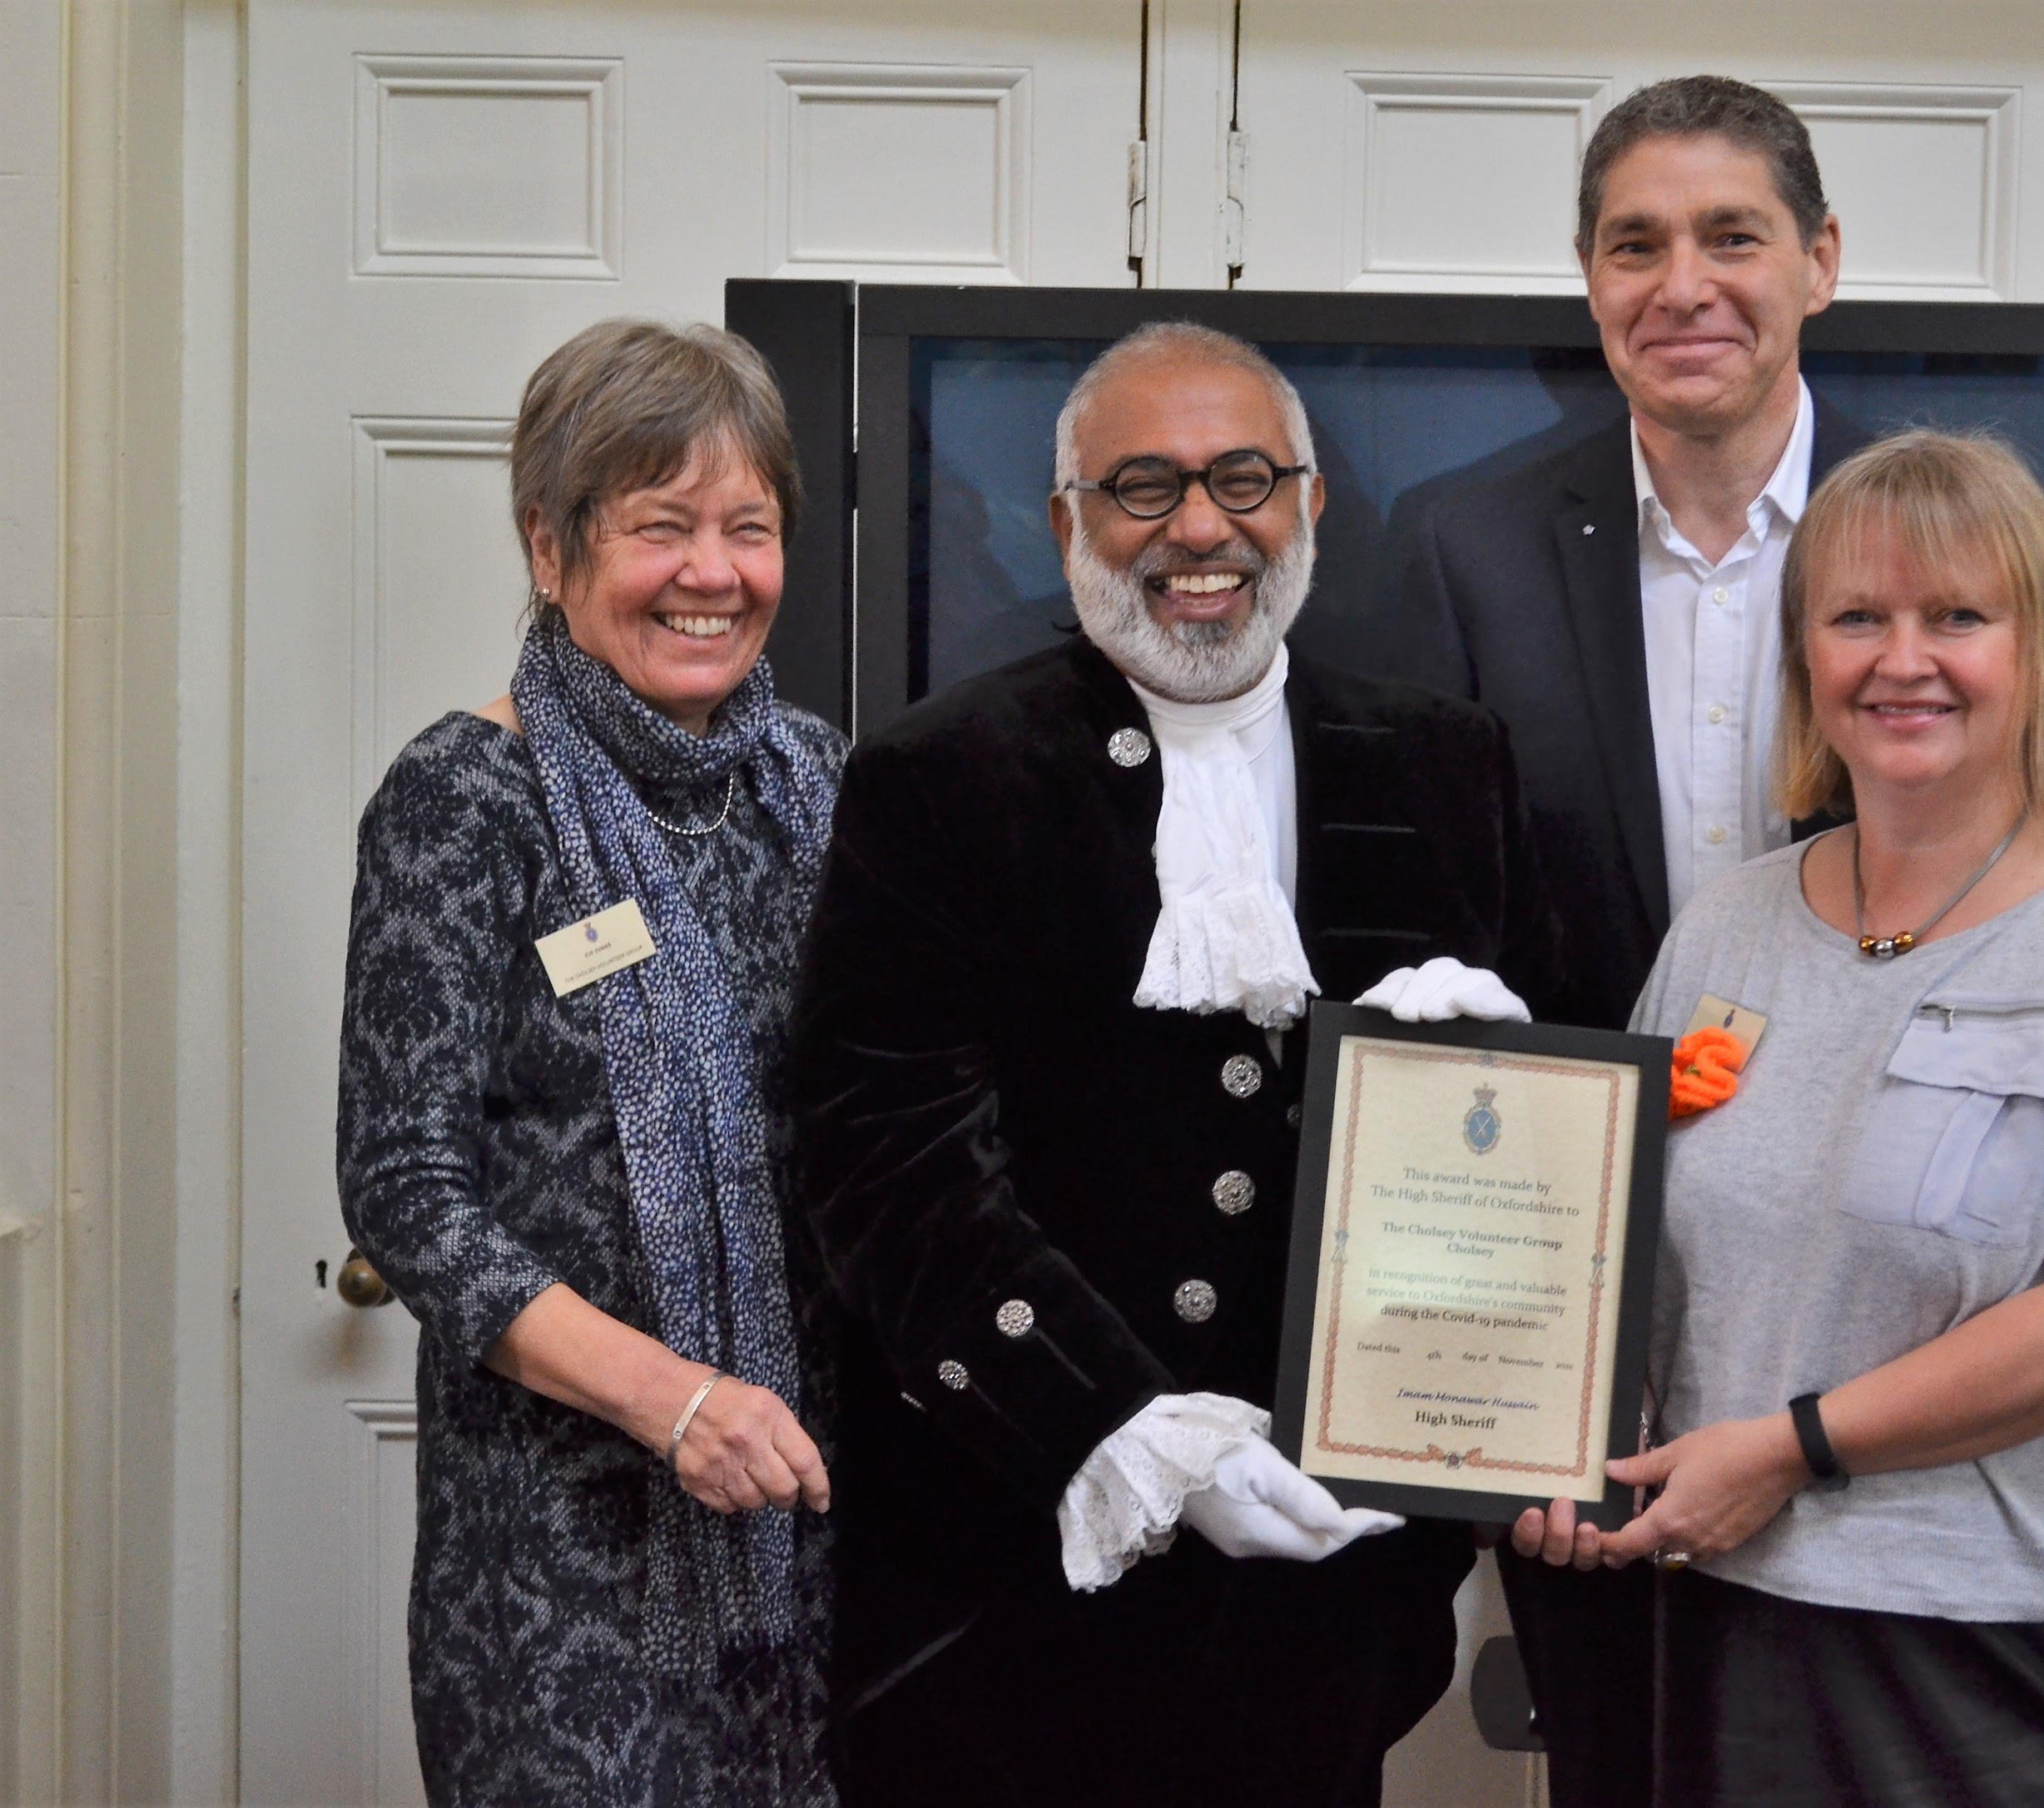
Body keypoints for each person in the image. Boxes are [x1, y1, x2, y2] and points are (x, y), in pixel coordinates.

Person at [786, 321, 1562, 1806]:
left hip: (1327, 1603)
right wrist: (1128, 1431)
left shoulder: (1446, 766)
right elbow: (887, 1163)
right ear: (1069, 517)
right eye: (1142, 485)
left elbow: (1507, 1179)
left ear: (1311, 503)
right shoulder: (937, 778)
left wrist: (1498, 1090)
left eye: (1243, 477)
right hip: (1009, 1582)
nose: (1200, 527)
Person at [1514, 430, 2044, 1806]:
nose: (1900, 658)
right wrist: (1559, 1441)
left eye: (1957, 617)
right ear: (1805, 658)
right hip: (1717, 1614)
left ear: (2039, 653)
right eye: (1857, 616)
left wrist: (1791, 1446)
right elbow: (1607, 1244)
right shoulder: (1727, 927)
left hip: (1991, 1661)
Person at [1376, 74, 1872, 1799]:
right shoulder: (1466, 543)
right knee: (1621, 1753)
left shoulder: (1936, 530)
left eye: (1732, 235)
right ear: (1589, 280)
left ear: (1818, 258)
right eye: (1634, 243)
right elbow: (1418, 940)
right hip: (1572, 1290)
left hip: (1874, 1273)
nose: (1685, 284)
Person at [337, 318, 844, 1806]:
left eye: (748, 527)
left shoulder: (818, 783)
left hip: (811, 1520)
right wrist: (673, 1400)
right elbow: (406, 1188)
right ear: (550, 550)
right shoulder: (462, 796)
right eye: (660, 525)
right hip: (558, 1563)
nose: (713, 572)